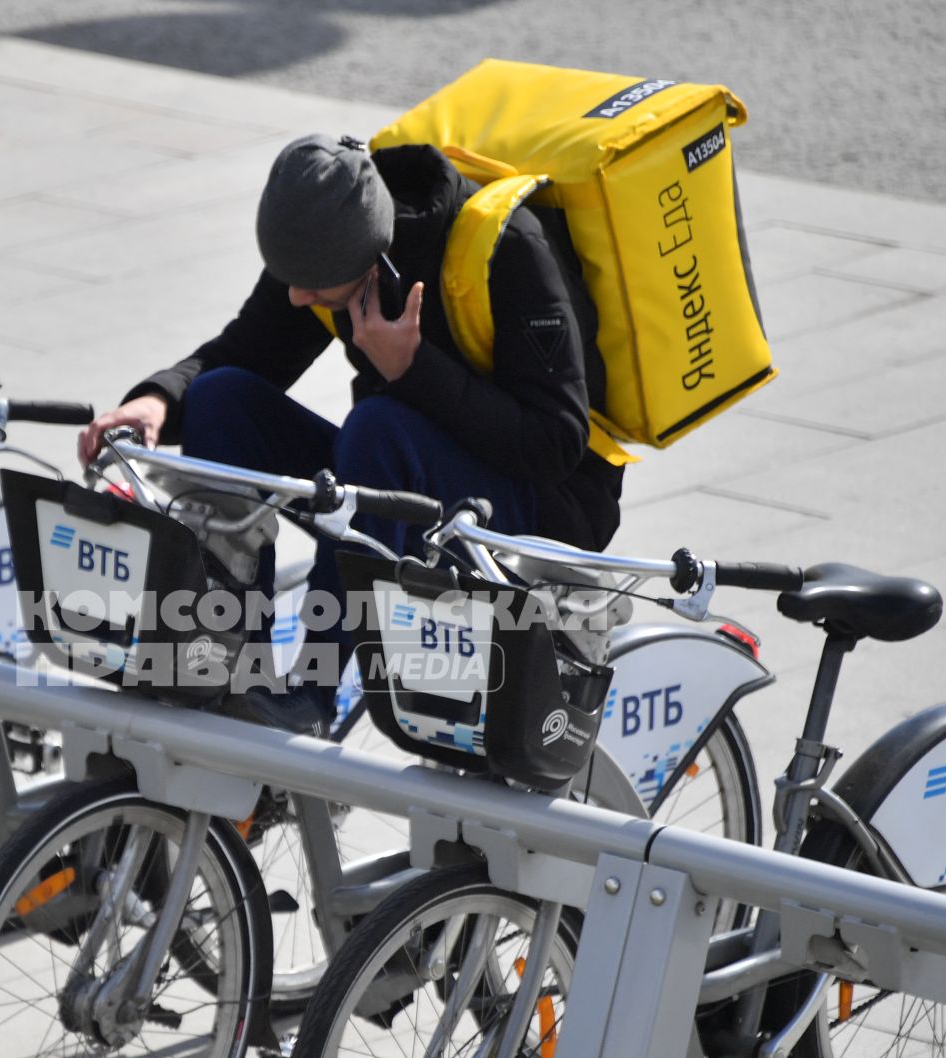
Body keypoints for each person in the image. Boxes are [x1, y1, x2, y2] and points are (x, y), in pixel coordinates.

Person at [78, 133, 624, 720]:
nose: (296, 295)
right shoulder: (326, 246)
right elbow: (248, 350)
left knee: (378, 425)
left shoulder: (512, 251)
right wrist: (158, 399)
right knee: (220, 398)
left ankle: (311, 697)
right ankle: (223, 659)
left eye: (312, 287)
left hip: (533, 509)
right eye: (286, 276)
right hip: (394, 473)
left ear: (370, 260)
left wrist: (414, 370)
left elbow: (556, 443)